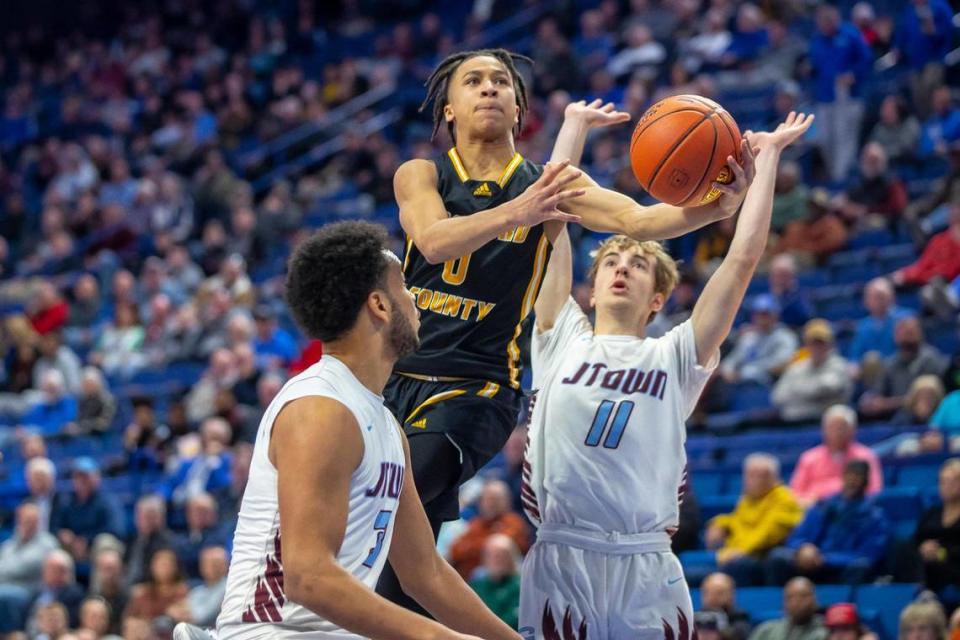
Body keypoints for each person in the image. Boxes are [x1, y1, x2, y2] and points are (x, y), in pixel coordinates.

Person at [380, 48, 751, 611]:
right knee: (403, 556)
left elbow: (642, 220)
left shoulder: (551, 185)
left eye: (501, 82)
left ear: (519, 105)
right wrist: (520, 213)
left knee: (389, 492)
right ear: (449, 109)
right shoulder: (422, 173)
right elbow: (433, 241)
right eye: (474, 81)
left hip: (475, 388)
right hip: (396, 380)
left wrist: (718, 205)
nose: (489, 89)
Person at [518, 113, 813, 637]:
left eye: (636, 263)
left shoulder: (676, 357)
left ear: (658, 298)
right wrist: (573, 125)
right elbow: (553, 218)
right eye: (612, 260)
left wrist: (768, 156)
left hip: (647, 562)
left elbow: (743, 259)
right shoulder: (559, 336)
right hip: (562, 553)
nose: (622, 267)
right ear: (591, 287)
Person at [195, 222, 519, 640]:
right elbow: (308, 577)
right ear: (379, 306)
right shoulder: (321, 408)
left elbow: (425, 574)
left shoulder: (384, 424)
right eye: (404, 285)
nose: (417, 298)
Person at [768, 461, 889, 586]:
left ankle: (844, 604)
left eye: (858, 477)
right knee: (778, 556)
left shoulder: (874, 517)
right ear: (843, 477)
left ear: (866, 481)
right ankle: (775, 602)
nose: (852, 481)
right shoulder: (823, 506)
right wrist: (803, 548)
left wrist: (826, 559)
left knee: (861, 567)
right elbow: (795, 538)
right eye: (849, 475)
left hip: (841, 568)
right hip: (810, 563)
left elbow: (868, 555)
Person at [706, 453, 803, 586]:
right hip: (750, 556)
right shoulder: (748, 500)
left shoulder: (784, 498)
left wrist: (738, 551)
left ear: (773, 478)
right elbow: (738, 520)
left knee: (739, 564)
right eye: (749, 475)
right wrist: (719, 524)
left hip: (768, 555)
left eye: (760, 475)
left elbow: (768, 533)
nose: (753, 480)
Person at [748, 577, 827, 640]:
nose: (796, 603)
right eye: (789, 598)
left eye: (803, 596)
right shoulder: (766, 630)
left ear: (815, 600)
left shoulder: (826, 631)